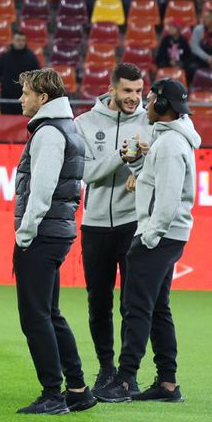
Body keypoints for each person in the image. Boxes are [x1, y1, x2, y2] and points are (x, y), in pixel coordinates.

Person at [94, 79, 200, 404]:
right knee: (157, 307)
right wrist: (138, 164)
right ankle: (167, 382)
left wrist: (148, 237)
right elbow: (155, 184)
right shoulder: (171, 140)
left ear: (163, 105)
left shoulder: (169, 145)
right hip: (170, 235)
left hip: (159, 236)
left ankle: (124, 381)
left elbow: (166, 201)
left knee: (136, 306)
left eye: (151, 98)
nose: (146, 103)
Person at [11, 69, 94, 415]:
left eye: (26, 93)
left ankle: (52, 394)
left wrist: (25, 233)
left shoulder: (48, 134)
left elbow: (41, 190)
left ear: (43, 98)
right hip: (58, 231)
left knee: (35, 317)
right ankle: (76, 389)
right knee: (50, 312)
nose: (21, 99)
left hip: (43, 234)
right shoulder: (68, 128)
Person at [74, 63, 151, 391]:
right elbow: (86, 173)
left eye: (139, 91)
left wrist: (142, 167)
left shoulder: (152, 121)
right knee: (99, 301)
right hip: (94, 225)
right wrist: (123, 156)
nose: (135, 98)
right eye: (128, 91)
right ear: (112, 89)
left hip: (134, 223)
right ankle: (106, 368)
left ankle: (128, 375)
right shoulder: (84, 124)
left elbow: (161, 163)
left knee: (133, 303)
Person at [0, 27, 42, 115]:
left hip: (26, 98)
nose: (20, 42)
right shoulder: (5, 56)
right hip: (7, 98)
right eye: (18, 40)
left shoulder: (31, 57)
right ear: (12, 41)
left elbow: (38, 75)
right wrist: (2, 83)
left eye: (23, 40)